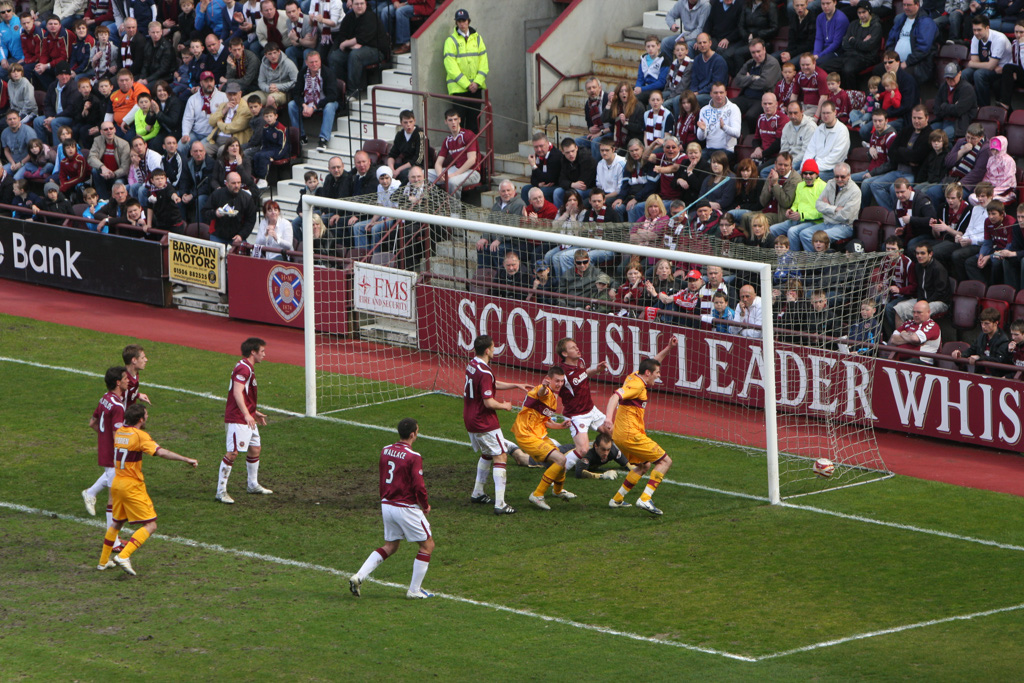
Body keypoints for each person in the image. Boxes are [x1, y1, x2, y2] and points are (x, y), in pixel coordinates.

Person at [96, 404, 198, 575]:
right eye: (146, 415)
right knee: (151, 525)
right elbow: (161, 452)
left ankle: (103, 561)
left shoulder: (120, 431)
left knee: (117, 522)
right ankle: (124, 555)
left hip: (117, 483)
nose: (148, 417)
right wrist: (185, 459)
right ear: (141, 419)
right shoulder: (140, 436)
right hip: (131, 486)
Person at [348, 418, 435, 599]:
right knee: (427, 546)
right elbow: (419, 485)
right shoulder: (414, 456)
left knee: (391, 546)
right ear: (413, 434)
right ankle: (414, 590)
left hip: (387, 505)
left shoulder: (385, 450)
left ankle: (359, 576)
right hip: (405, 507)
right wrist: (425, 506)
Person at [603, 338, 678, 515]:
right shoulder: (637, 386)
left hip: (621, 435)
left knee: (644, 465)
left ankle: (617, 499)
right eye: (657, 373)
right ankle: (645, 499)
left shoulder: (635, 376)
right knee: (665, 461)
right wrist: (608, 419)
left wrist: (668, 348)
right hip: (630, 435)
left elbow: (654, 362)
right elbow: (614, 397)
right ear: (647, 373)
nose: (658, 376)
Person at [463, 334, 529, 515]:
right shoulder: (484, 371)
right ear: (487, 350)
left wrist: (515, 385)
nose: (494, 350)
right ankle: (500, 504)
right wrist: (505, 405)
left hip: (469, 417)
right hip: (483, 421)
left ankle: (478, 492)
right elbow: (488, 402)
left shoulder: (473, 364)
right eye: (493, 347)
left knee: (487, 453)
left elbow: (491, 384)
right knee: (500, 456)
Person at [511, 366, 577, 511]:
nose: (559, 384)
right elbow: (541, 392)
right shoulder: (543, 390)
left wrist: (560, 426)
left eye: (561, 381)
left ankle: (558, 491)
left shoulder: (553, 397)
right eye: (556, 381)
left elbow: (544, 421)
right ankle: (537, 494)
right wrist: (544, 386)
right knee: (560, 460)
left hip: (539, 434)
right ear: (549, 379)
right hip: (526, 434)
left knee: (561, 460)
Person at [216, 337, 271, 505]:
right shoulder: (244, 369)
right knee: (232, 452)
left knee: (255, 448)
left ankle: (252, 484)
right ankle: (221, 491)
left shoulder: (246, 367)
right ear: (253, 352)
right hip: (238, 418)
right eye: (262, 351)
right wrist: (247, 415)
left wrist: (254, 412)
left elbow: (244, 394)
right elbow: (237, 392)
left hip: (246, 417)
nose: (264, 354)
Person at [83, 366, 129, 551]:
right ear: (118, 382)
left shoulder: (105, 398)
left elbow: (92, 423)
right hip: (113, 455)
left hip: (105, 450)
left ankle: (90, 492)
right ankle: (113, 541)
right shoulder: (117, 406)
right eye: (125, 378)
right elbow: (117, 435)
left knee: (112, 484)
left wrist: (103, 438)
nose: (128, 380)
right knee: (114, 498)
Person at [442, 8, 487, 132]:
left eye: (464, 21)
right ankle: (461, 150)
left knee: (474, 123)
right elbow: (451, 66)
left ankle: (473, 150)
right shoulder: (450, 41)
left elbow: (484, 63)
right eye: (459, 21)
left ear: (469, 21)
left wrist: (477, 82)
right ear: (456, 23)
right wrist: (467, 84)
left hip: (476, 89)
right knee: (458, 125)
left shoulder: (478, 39)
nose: (462, 24)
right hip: (459, 90)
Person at [330, 0, 385, 100]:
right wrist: (351, 46)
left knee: (355, 56)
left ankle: (353, 92)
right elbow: (342, 35)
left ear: (366, 4)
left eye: (362, 3)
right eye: (356, 4)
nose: (359, 6)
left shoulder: (371, 16)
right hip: (354, 49)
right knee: (334, 57)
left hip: (375, 50)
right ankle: (340, 90)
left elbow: (362, 38)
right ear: (352, 5)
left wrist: (345, 44)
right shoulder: (349, 17)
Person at [287, 50, 339, 148]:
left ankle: (323, 138)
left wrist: (315, 107)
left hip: (325, 102)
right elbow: (296, 93)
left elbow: (332, 96)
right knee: (291, 105)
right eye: (311, 62)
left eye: (316, 61)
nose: (314, 64)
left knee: (330, 106)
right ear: (306, 63)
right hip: (307, 103)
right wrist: (304, 105)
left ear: (320, 61)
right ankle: (301, 136)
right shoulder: (302, 73)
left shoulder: (328, 73)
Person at [428, 108, 479, 199]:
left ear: (459, 120)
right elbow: (438, 162)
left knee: (452, 182)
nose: (453, 122)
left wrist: (453, 175)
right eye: (450, 120)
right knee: (423, 174)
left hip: (472, 171)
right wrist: (440, 174)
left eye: (455, 119)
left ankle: (455, 212)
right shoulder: (448, 140)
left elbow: (471, 160)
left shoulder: (468, 134)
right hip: (455, 169)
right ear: (446, 122)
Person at [962, 14, 1011, 107]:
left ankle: (983, 107)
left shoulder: (999, 39)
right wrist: (979, 64)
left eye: (979, 30)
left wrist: (973, 64)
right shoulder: (976, 38)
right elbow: (975, 61)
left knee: (979, 74)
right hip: (989, 67)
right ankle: (967, 104)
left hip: (1002, 70)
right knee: (964, 73)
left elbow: (989, 66)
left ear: (987, 28)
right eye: (974, 30)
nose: (976, 33)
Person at [884, 0, 938, 83]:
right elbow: (890, 40)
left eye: (908, 5)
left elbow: (923, 49)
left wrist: (906, 63)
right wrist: (891, 59)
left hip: (917, 65)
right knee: (878, 70)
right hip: (897, 62)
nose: (905, 7)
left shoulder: (926, 22)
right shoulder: (901, 20)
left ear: (917, 4)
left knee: (901, 75)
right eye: (904, 5)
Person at [204, 171, 258, 247]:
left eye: (239, 183)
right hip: (218, 235)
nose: (236, 185)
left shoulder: (247, 198)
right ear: (227, 183)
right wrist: (215, 213)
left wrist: (241, 235)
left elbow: (251, 220)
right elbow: (205, 212)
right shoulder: (217, 195)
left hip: (237, 236)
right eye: (233, 183)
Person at [951, 307, 1010, 373]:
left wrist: (980, 358)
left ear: (996, 323)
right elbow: (972, 350)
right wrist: (961, 355)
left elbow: (999, 360)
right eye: (982, 323)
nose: (983, 326)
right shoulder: (982, 336)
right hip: (980, 374)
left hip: (995, 377)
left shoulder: (1003, 340)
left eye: (986, 323)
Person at [933, 63, 978, 141]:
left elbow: (958, 111)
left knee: (941, 138)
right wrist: (952, 107)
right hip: (942, 120)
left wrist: (944, 106)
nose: (950, 80)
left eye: (953, 77)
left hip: (958, 124)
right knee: (926, 133)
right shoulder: (943, 87)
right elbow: (936, 109)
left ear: (959, 73)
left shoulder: (967, 89)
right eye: (947, 78)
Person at [887, 299, 941, 364]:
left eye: (919, 312)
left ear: (928, 312)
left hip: (920, 361)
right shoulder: (908, 323)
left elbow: (915, 339)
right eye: (914, 312)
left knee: (902, 365)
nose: (915, 315)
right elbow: (893, 339)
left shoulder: (932, 325)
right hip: (899, 358)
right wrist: (908, 336)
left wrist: (903, 334)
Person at [87, 120, 130, 199]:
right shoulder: (97, 140)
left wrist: (113, 174)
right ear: (101, 132)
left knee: (118, 183)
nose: (109, 131)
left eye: (111, 128)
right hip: (103, 174)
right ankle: (104, 200)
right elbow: (91, 157)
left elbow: (125, 168)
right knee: (94, 170)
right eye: (106, 129)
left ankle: (115, 204)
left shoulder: (124, 144)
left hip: (117, 175)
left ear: (115, 130)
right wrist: (103, 167)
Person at [696, 82, 741, 156]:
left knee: (710, 165)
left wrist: (724, 127)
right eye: (715, 93)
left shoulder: (733, 108)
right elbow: (700, 138)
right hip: (709, 149)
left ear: (726, 93)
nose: (719, 95)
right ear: (711, 94)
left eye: (721, 92)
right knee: (695, 162)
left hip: (726, 151)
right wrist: (702, 130)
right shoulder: (704, 110)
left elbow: (737, 134)